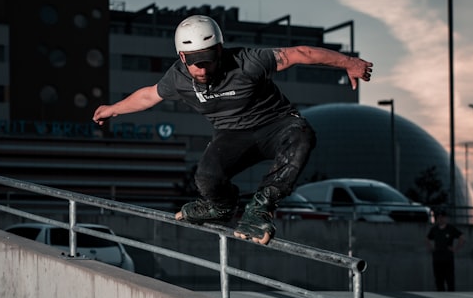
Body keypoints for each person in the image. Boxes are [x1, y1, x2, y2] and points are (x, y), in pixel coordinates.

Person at [92, 15, 373, 245]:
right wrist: (112, 109)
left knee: (303, 135)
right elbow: (149, 96)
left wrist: (349, 63)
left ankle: (262, 205)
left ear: (219, 49)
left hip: (276, 124)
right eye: (193, 62)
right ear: (181, 56)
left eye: (207, 60)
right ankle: (222, 205)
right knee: (206, 176)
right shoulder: (177, 77)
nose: (202, 70)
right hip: (233, 136)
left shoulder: (248, 62)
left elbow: (300, 54)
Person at [426, 208, 465, 291]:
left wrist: (455, 248)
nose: (441, 219)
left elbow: (461, 237)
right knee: (439, 281)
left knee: (450, 280)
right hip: (437, 258)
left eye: (442, 217)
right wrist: (430, 248)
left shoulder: (450, 228)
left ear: (445, 218)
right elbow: (427, 238)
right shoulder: (434, 229)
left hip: (447, 258)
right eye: (439, 217)